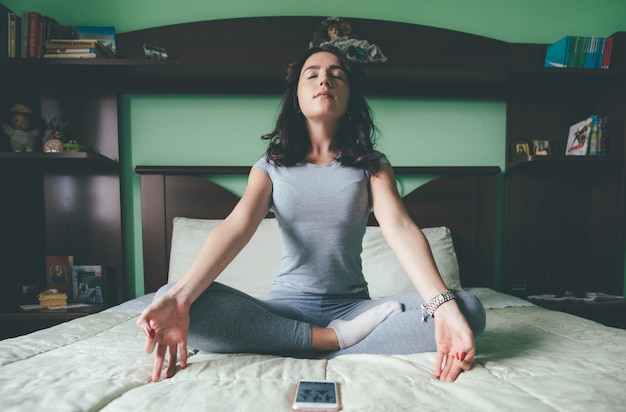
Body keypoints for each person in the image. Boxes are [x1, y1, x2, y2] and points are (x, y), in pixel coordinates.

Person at [137, 45, 485, 383]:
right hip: (284, 311)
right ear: (296, 97)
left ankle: (304, 343)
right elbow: (236, 227)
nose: (324, 82)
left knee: (466, 308)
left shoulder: (372, 165)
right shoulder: (270, 167)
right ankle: (333, 341)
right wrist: (180, 298)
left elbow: (399, 226)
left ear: (350, 98)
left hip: (355, 309)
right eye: (312, 75)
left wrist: (442, 304)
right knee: (172, 296)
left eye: (337, 76)